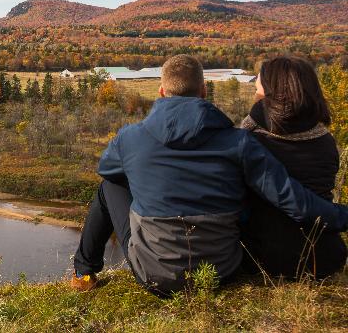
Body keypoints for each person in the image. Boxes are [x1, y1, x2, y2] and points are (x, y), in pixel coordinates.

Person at [71, 54, 348, 296]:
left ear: (161, 91)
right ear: (204, 91)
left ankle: (84, 272)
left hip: (153, 276)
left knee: (109, 186)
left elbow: (106, 170)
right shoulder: (239, 142)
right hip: (222, 272)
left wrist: (150, 174)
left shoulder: (130, 137)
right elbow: (292, 200)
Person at [240, 56, 347, 278]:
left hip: (260, 257)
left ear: (272, 97)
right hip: (322, 257)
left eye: (259, 90)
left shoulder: (248, 142)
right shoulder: (325, 142)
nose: (256, 95)